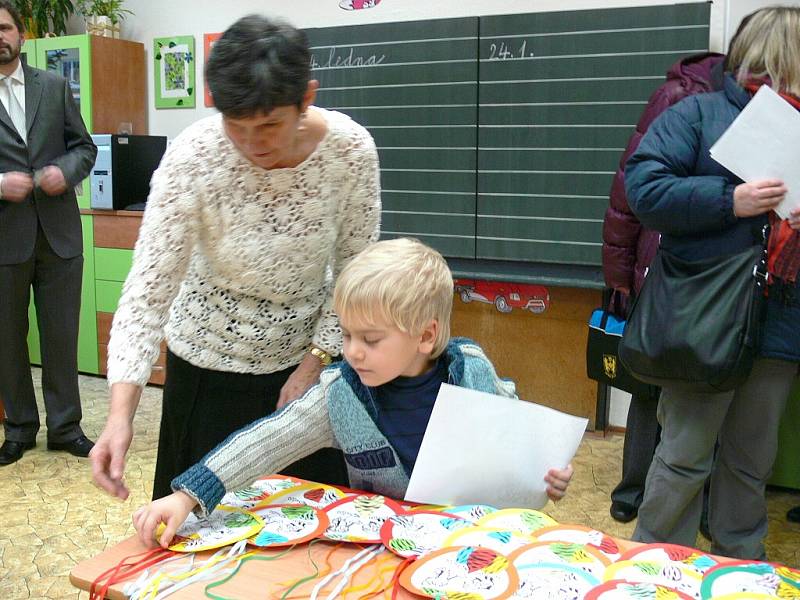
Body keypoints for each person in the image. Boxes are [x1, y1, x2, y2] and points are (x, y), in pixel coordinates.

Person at [90, 14, 381, 500]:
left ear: (306, 98)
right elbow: (146, 294)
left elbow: (356, 273)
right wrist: (120, 417)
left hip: (304, 366)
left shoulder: (350, 152)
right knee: (197, 528)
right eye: (235, 125)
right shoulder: (194, 157)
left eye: (269, 125)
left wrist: (314, 364)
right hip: (206, 367)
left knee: (305, 524)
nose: (251, 144)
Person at [132, 238, 575, 548]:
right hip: (388, 555)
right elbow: (267, 440)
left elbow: (522, 442)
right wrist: (188, 494)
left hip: (473, 549)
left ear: (425, 336)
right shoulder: (340, 394)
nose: (352, 352)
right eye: (346, 335)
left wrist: (550, 474)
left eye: (371, 339)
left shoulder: (472, 371)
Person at [625, 5, 800, 560]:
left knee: (750, 460)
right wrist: (731, 201)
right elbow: (644, 190)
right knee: (684, 454)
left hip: (781, 318)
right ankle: (658, 566)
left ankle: (739, 564)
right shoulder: (697, 113)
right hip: (706, 314)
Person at [602, 51, 725, 524]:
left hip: (722, 279)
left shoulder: (759, 109)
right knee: (648, 384)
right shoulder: (679, 96)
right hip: (661, 270)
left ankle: (702, 501)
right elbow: (627, 190)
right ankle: (632, 491)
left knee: (709, 382)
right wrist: (618, 271)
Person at [0, 1, 98, 466]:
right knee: (7, 338)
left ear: (20, 35)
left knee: (61, 335)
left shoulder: (55, 86)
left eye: (3, 28)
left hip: (59, 234)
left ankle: (65, 428)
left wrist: (65, 170)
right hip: (4, 239)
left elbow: (85, 147)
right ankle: (19, 428)